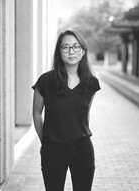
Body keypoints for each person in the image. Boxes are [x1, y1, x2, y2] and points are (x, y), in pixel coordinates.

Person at [32, 29, 100, 191]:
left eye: (76, 47)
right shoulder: (46, 81)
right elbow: (36, 114)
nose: (71, 51)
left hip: (83, 149)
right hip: (53, 150)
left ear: (83, 51)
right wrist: (46, 142)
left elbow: (85, 115)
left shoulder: (91, 83)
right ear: (59, 52)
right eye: (66, 47)